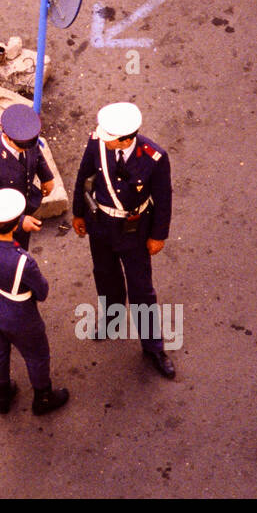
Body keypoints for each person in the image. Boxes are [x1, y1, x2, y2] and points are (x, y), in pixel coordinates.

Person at [71, 101, 176, 378]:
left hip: (135, 230)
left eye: (111, 138)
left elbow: (164, 199)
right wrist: (78, 214)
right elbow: (84, 176)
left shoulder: (154, 157)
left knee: (142, 289)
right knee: (105, 276)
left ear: (127, 139)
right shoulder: (98, 142)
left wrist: (158, 235)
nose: (104, 140)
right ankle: (113, 318)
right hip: (101, 225)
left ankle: (153, 347)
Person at [0, 187, 70, 415]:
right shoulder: (24, 262)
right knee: (37, 355)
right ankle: (43, 397)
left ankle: (2, 395)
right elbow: (42, 291)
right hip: (19, 315)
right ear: (16, 225)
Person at [0, 104, 56, 251]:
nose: (26, 149)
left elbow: (36, 153)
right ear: (6, 137)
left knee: (21, 251)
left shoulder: (25, 139)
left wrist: (46, 177)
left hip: (24, 207)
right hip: (1, 232)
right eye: (22, 146)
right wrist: (20, 222)